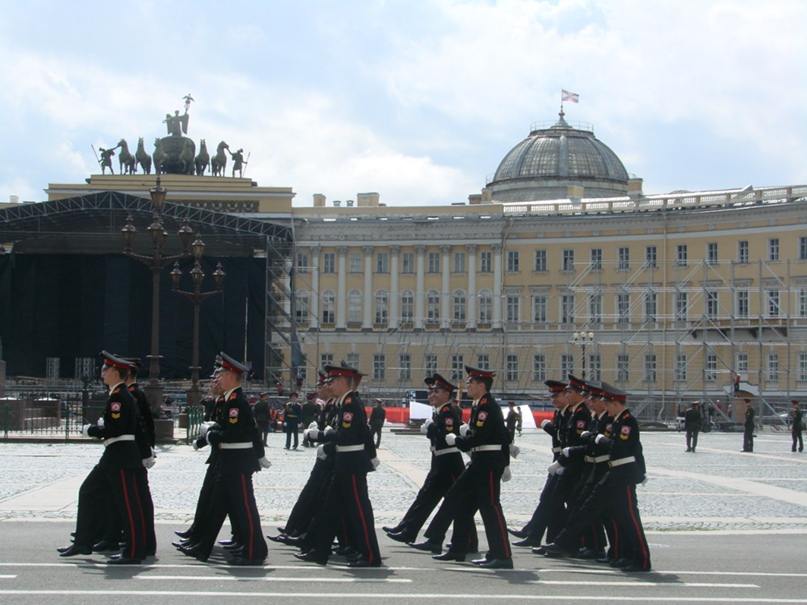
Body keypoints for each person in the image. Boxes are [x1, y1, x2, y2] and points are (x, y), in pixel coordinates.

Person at [543, 382, 651, 572]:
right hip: (613, 473)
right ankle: (567, 543)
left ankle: (641, 560)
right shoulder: (618, 420)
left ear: (615, 403)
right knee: (595, 508)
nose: (605, 406)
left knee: (629, 518)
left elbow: (618, 449)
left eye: (607, 403)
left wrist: (599, 439)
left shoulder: (627, 421)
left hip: (624, 475)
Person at [417, 365, 513, 569]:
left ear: (481, 385)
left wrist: (458, 440)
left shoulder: (487, 406)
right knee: (458, 500)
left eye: (471, 383)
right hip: (479, 461)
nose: (467, 386)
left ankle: (502, 555)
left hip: (488, 462)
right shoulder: (479, 405)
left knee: (490, 507)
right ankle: (458, 548)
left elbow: (480, 437)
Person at [57, 352, 147, 564]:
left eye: (106, 370)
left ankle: (134, 552)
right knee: (88, 491)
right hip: (115, 455)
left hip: (121, 456)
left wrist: (93, 430)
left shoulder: (119, 396)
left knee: (128, 504)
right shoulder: (118, 394)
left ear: (116, 373)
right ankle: (83, 542)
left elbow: (117, 429)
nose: (103, 373)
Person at [296, 361, 381, 567]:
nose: (329, 385)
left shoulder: (350, 404)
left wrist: (321, 435)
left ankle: (370, 556)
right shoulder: (343, 403)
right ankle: (319, 551)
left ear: (342, 381)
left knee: (360, 511)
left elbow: (347, 435)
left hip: (352, 464)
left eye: (332, 381)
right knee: (329, 509)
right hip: (344, 463)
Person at [189, 352, 269, 565]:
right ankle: (202, 547)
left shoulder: (236, 402)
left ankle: (254, 552)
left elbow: (232, 433)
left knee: (245, 508)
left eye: (222, 375)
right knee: (217, 506)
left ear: (232, 377)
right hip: (230, 460)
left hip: (238, 462)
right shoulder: (231, 400)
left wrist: (211, 434)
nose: (218, 379)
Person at [387, 373, 476, 551]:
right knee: (427, 497)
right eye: (430, 392)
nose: (431, 395)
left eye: (436, 391)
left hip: (449, 463)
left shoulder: (448, 412)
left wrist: (432, 428)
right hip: (439, 460)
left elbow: (447, 437)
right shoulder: (439, 412)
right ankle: (410, 530)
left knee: (455, 502)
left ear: (446, 394)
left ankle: (466, 541)